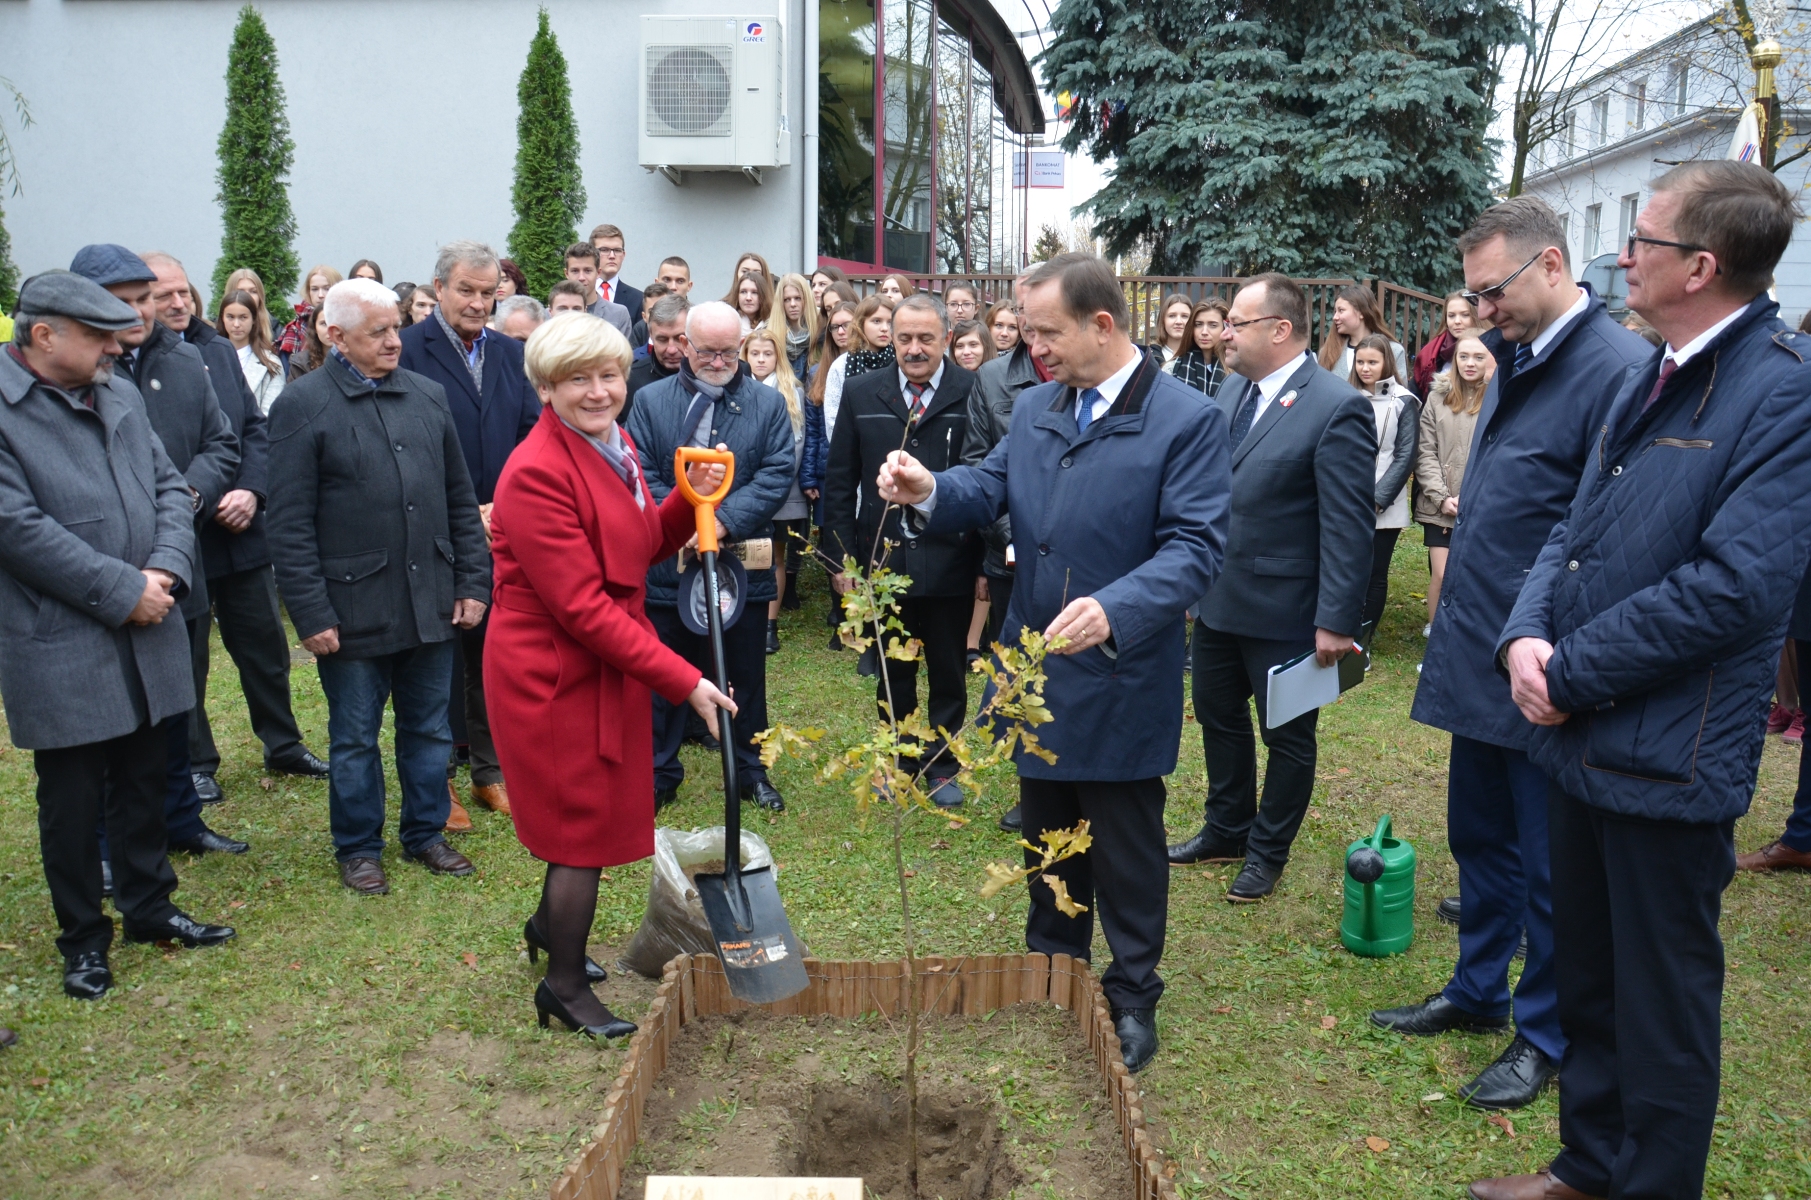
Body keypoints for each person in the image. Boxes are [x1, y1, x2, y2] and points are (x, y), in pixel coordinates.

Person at [1470, 162, 1811, 1200]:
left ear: (1698, 266)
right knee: (1586, 978)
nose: (1624, 254)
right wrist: (1522, 641)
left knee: (1659, 1004)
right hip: (1576, 740)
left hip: (1668, 758)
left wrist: (1567, 670)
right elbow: (1568, 534)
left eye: (1643, 240)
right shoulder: (1643, 373)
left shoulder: (1780, 394)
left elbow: (1732, 590)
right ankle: (1586, 1165)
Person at [875, 252, 1231, 1072]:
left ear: (1100, 325)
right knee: (1045, 825)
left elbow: (1196, 548)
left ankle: (1132, 990)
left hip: (1118, 670)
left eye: (1045, 333)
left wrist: (1118, 607)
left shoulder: (1185, 420)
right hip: (1032, 672)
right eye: (1027, 332)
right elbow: (989, 485)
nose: (1032, 348)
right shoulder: (1038, 405)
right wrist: (929, 487)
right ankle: (1052, 964)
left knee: (1124, 841)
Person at [1384, 195, 1651, 1123]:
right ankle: (1477, 989)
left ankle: (1545, 1034)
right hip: (1479, 653)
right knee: (1481, 840)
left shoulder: (1616, 369)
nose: (1478, 308)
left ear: (1549, 265)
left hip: (1542, 665)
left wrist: (1555, 658)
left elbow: (1602, 534)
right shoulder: (1515, 356)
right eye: (1471, 293)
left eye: (1489, 290)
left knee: (1550, 866)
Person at [486, 313, 735, 1036]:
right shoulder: (536, 472)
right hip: (553, 672)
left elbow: (632, 549)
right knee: (580, 832)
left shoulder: (611, 445)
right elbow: (583, 608)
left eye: (609, 375)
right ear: (545, 387)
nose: (599, 392)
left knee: (583, 814)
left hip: (603, 658)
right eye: (578, 380)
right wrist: (684, 680)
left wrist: (691, 502)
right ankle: (562, 986)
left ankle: (545, 929)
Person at [0, 272, 237, 1002]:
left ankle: (150, 907)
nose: (117, 345)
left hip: (150, 624)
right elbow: (16, 529)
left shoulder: (119, 391)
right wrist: (121, 590)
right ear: (44, 335)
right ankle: (82, 939)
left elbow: (171, 486)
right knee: (72, 800)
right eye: (100, 335)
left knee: (142, 778)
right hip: (61, 641)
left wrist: (164, 568)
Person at [266, 278, 492, 895]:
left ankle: (424, 832)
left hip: (430, 603)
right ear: (333, 335)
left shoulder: (427, 395)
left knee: (428, 730)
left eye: (396, 327)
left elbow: (458, 498)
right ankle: (359, 847)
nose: (396, 340)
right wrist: (311, 613)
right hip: (351, 605)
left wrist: (473, 580)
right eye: (379, 332)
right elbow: (287, 524)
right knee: (354, 738)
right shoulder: (301, 406)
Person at [1166, 273, 1375, 902]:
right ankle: (1227, 827)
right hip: (1219, 600)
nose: (1224, 333)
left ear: (1279, 330)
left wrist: (1337, 619)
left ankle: (1267, 849)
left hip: (1289, 611)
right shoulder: (1234, 389)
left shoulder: (1337, 406)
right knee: (1217, 715)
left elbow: (1348, 525)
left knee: (1286, 735)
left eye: (1237, 322)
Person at [70, 245, 248, 857]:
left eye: (145, 299)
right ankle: (104, 842)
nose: (143, 313)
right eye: (125, 303)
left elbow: (222, 443)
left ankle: (182, 820)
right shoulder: (80, 376)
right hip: (105, 575)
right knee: (107, 716)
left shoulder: (188, 358)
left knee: (178, 701)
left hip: (178, 561)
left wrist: (187, 498)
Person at [140, 252, 327, 800]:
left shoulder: (216, 349)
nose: (178, 303)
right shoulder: (135, 362)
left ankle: (284, 742)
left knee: (264, 646)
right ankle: (197, 761)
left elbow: (251, 429)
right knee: (189, 655)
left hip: (239, 530)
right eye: (163, 296)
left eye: (183, 292)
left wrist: (252, 490)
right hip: (179, 536)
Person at [626, 300, 794, 813]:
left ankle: (750, 767)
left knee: (744, 670)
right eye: (707, 353)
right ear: (685, 347)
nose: (718, 362)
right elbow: (641, 470)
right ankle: (659, 770)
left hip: (739, 562)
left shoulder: (766, 405)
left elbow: (777, 469)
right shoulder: (650, 401)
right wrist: (683, 520)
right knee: (665, 670)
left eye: (728, 352)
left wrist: (720, 521)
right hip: (667, 564)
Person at [400, 239, 540, 827]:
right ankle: (439, 783)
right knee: (436, 659)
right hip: (430, 529)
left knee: (491, 655)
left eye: (488, 292)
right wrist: (463, 510)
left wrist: (503, 505)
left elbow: (534, 433)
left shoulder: (510, 354)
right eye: (467, 290)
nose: (479, 302)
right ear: (439, 290)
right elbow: (400, 443)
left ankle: (490, 771)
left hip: (499, 530)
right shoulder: (407, 349)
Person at [825, 294, 979, 807]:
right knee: (893, 666)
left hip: (952, 554)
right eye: (905, 338)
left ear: (948, 340)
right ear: (891, 336)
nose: (914, 349)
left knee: (948, 664)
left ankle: (942, 765)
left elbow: (983, 476)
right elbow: (840, 480)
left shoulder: (971, 389)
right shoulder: (862, 391)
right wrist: (844, 558)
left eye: (926, 339)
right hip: (882, 557)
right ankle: (899, 759)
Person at [1414, 333, 1489, 635]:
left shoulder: (1500, 397)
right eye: (1463, 356)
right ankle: (1436, 637)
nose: (1470, 363)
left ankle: (1467, 638)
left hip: (1481, 503)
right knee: (1442, 575)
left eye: (1478, 357)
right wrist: (1442, 497)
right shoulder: (1437, 397)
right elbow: (1425, 451)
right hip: (1440, 505)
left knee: (1474, 576)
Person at [743, 327, 810, 654]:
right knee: (745, 552)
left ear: (778, 357)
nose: (760, 360)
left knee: (775, 555)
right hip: (742, 487)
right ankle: (745, 616)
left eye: (767, 354)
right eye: (754, 354)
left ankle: (770, 625)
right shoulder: (739, 387)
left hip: (780, 488)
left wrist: (773, 480)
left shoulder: (790, 390)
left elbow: (796, 441)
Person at [1350, 332, 1419, 633]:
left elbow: (1405, 455)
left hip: (1383, 503)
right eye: (1361, 362)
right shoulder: (1345, 397)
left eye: (1373, 362)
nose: (1366, 368)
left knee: (1374, 574)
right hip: (1347, 499)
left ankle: (1362, 641)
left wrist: (1378, 499)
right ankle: (1341, 629)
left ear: (1386, 363)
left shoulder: (1404, 401)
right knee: (1346, 571)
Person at [823, 294, 895, 442]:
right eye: (876, 321)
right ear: (861, 324)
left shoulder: (903, 363)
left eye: (890, 322)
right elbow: (833, 422)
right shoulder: (841, 366)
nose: (884, 328)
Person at [1318, 285, 1409, 382]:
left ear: (1361, 312)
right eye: (1335, 311)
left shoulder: (1394, 350)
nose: (1335, 317)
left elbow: (1400, 394)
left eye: (1341, 310)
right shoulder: (1327, 353)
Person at [219, 289, 286, 414]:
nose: (236, 324)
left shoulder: (271, 364)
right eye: (230, 317)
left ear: (254, 319)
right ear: (222, 318)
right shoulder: (209, 358)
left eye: (243, 317)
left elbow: (269, 415)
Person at [628, 293, 689, 412]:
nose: (671, 350)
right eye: (662, 340)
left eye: (679, 339)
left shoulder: (708, 377)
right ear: (651, 335)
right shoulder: (631, 379)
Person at [1412, 291, 1479, 396]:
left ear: (1477, 316)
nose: (1457, 321)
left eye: (1465, 315)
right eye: (1451, 316)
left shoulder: (1491, 348)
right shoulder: (1431, 351)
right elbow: (1414, 395)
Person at [562, 243, 633, 336]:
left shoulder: (619, 314)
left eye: (587, 271)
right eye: (575, 271)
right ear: (566, 273)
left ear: (598, 272)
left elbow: (623, 350)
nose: (581, 277)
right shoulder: (550, 314)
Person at [279, 264, 342, 362]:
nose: (320, 295)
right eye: (315, 289)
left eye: (326, 288)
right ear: (308, 292)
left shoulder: (349, 320)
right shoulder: (295, 328)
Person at [1173, 299, 1230, 397]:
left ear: (1225, 328)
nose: (1204, 332)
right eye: (1198, 324)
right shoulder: (1173, 367)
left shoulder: (1237, 369)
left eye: (1213, 325)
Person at [589, 223, 643, 317]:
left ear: (623, 255)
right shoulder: (580, 294)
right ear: (592, 254)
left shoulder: (638, 299)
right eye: (604, 250)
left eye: (617, 250)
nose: (612, 256)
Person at [770, 272, 816, 376]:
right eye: (787, 300)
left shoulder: (820, 329)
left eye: (798, 298)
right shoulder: (770, 333)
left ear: (806, 299)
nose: (793, 304)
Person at [1147, 292, 1192, 372]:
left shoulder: (1200, 357)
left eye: (1184, 316)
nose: (1178, 321)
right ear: (1163, 320)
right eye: (1172, 316)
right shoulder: (1149, 356)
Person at [726, 272, 774, 338]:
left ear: (763, 295)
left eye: (754, 292)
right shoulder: (726, 323)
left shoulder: (773, 325)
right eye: (743, 292)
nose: (748, 298)